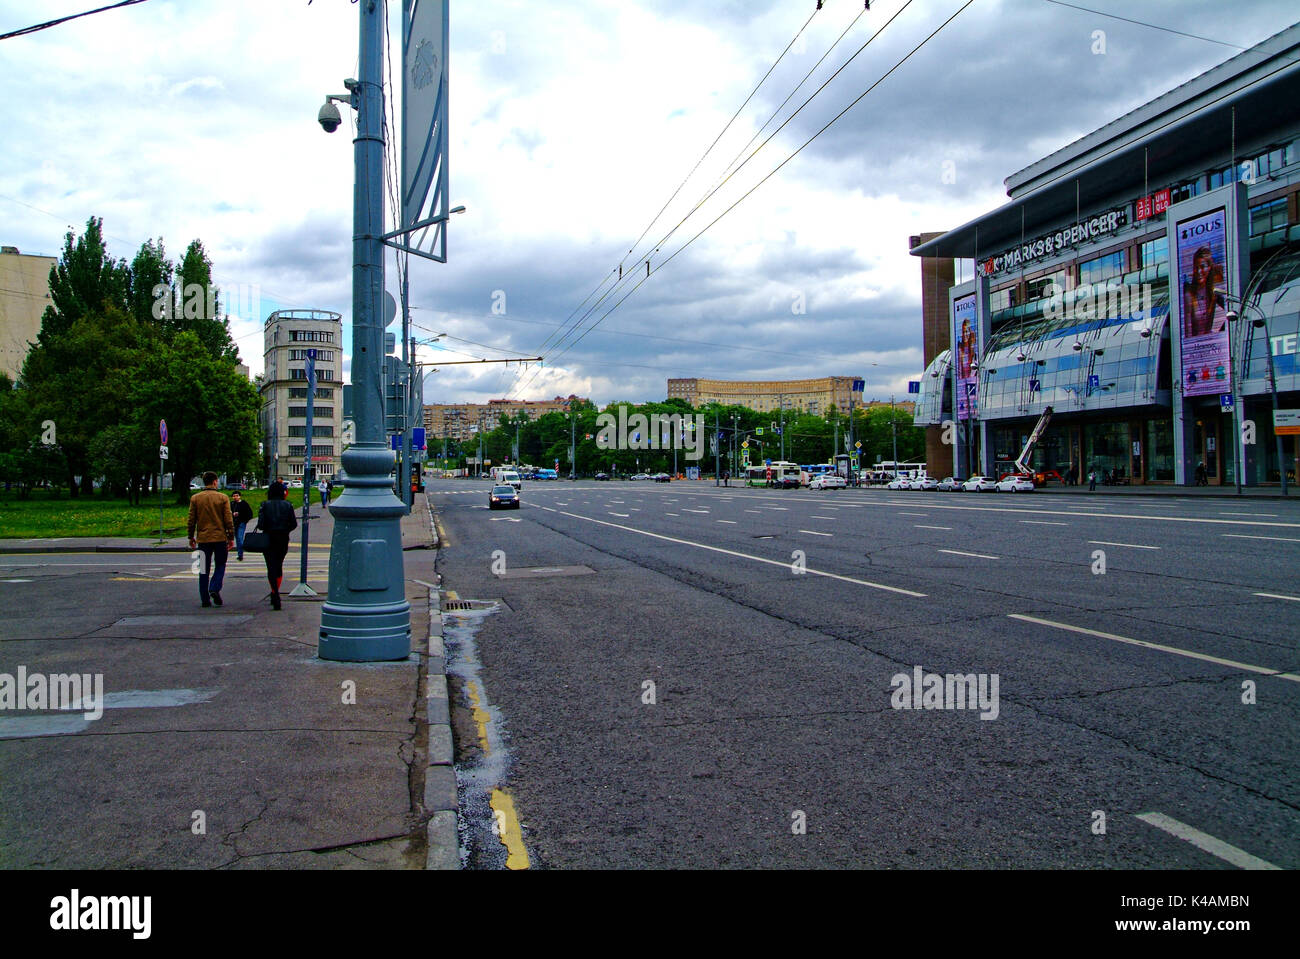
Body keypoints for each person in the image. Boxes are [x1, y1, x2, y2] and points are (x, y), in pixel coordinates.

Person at [187, 471, 234, 607]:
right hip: (219, 538)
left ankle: (204, 599)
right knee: (220, 565)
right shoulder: (223, 498)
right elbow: (228, 519)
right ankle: (214, 587)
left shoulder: (195, 498)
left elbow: (191, 520)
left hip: (203, 539)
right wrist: (231, 536)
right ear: (214, 481)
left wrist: (191, 536)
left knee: (203, 569)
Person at [256, 481, 298, 610]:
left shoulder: (265, 505)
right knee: (279, 565)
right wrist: (285, 529)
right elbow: (294, 524)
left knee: (270, 565)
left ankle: (274, 592)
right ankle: (275, 592)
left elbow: (261, 525)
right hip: (282, 538)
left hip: (268, 538)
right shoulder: (288, 505)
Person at [230, 491, 253, 561]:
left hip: (241, 523)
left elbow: (249, 513)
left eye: (237, 496)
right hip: (233, 523)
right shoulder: (231, 504)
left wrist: (240, 515)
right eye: (234, 496)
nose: (235, 497)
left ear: (240, 496)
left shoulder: (244, 504)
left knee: (239, 538)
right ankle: (240, 554)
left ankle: (241, 554)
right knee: (237, 539)